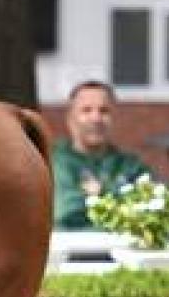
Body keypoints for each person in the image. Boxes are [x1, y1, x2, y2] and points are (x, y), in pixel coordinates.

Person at [51, 80, 150, 231]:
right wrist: (118, 196)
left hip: (123, 252)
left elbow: (152, 210)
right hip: (70, 251)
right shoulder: (55, 162)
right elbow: (64, 211)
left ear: (114, 119)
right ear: (70, 119)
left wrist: (99, 192)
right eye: (86, 110)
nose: (96, 118)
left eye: (104, 111)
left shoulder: (132, 165)